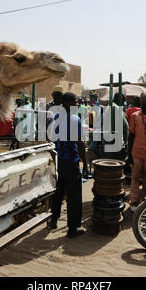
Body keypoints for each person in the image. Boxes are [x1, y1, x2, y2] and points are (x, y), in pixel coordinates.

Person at [48, 92, 87, 238]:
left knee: (58, 192)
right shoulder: (75, 119)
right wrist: (86, 163)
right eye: (74, 102)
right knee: (74, 196)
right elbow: (80, 142)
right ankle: (73, 228)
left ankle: (53, 221)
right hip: (71, 161)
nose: (77, 105)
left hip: (61, 161)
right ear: (66, 103)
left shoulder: (57, 117)